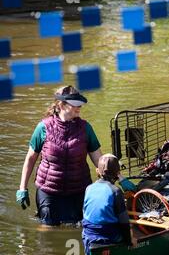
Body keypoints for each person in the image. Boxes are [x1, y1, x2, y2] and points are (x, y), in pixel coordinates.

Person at [16, 85, 103, 225]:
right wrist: (22, 188)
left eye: (80, 103)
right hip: (49, 190)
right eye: (75, 104)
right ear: (61, 104)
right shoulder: (43, 127)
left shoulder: (86, 128)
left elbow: (100, 160)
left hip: (79, 189)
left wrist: (118, 177)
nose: (79, 106)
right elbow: (31, 158)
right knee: (48, 231)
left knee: (79, 229)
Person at [82, 154, 136, 255]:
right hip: (109, 236)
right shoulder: (115, 191)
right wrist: (130, 241)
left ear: (98, 171)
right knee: (130, 232)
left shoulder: (89, 188)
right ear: (117, 173)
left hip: (88, 235)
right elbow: (124, 222)